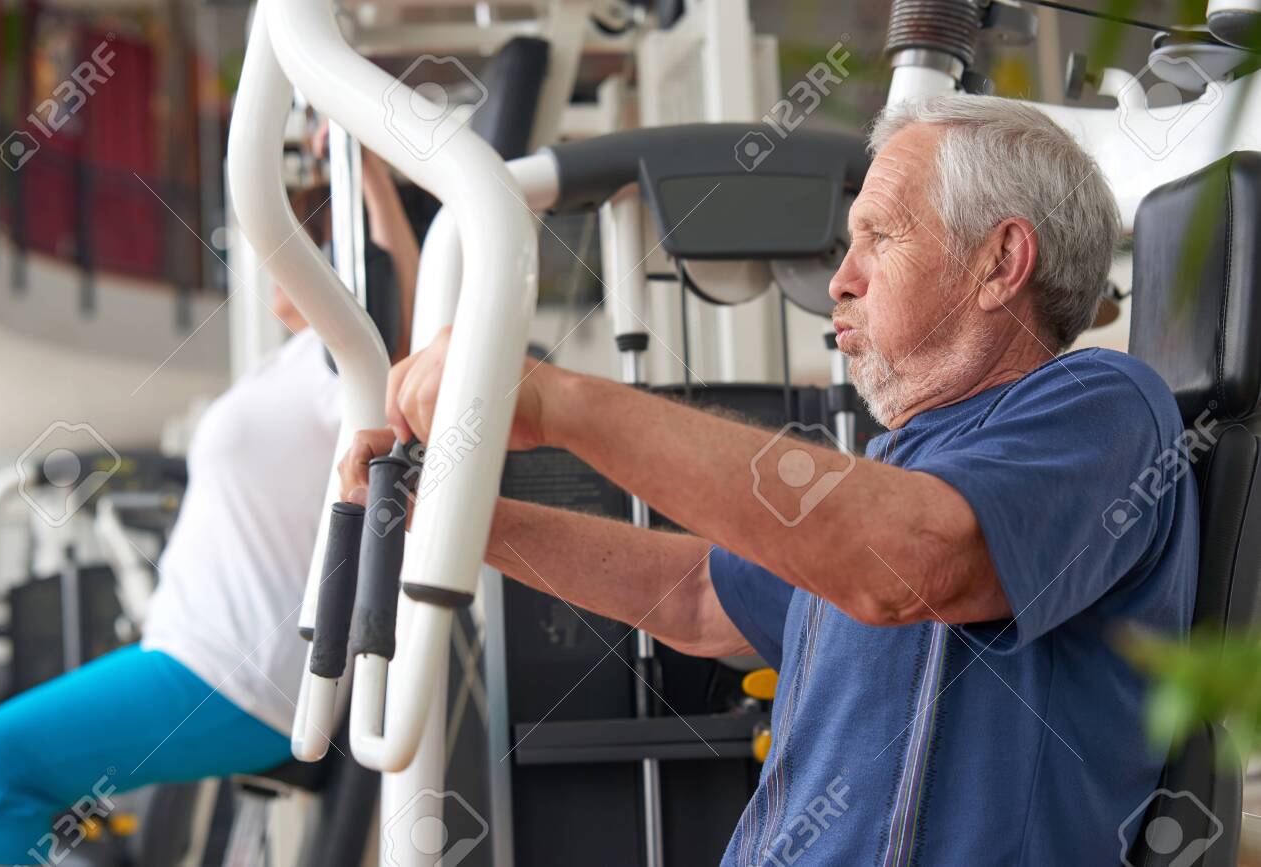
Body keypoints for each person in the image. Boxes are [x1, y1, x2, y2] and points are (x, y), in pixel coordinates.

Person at [339, 95, 1197, 865]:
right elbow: (695, 599)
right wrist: (447, 517)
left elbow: (911, 561)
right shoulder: (899, 468)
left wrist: (558, 401)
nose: (840, 279)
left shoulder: (1105, 404)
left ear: (1000, 261)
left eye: (879, 238)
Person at [0, 135, 419, 867]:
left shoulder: (350, 357)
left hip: (231, 671)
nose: (268, 250)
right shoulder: (288, 360)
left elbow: (401, 309)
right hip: (191, 653)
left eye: (294, 230)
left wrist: (365, 168)